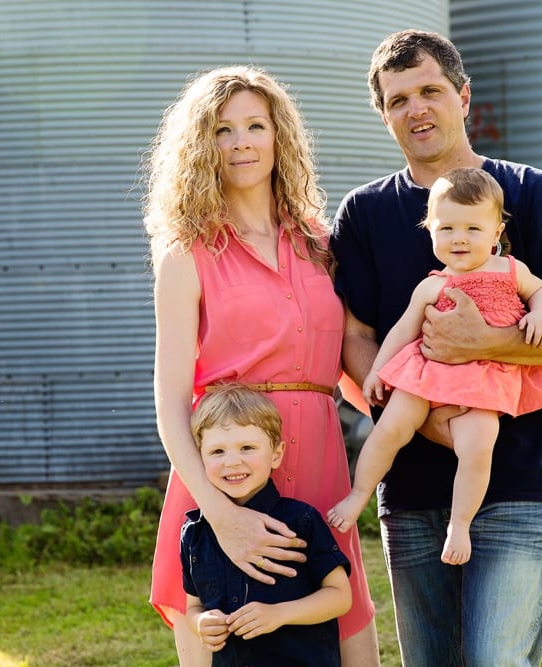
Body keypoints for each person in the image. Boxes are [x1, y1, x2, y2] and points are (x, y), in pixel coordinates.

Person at [330, 30, 542, 666]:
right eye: (398, 99)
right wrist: (422, 414)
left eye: (430, 91)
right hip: (408, 489)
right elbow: (356, 337)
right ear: (383, 114)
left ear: (463, 95)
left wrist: (485, 343)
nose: (417, 109)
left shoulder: (532, 193)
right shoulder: (364, 213)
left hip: (516, 479)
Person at [143, 65, 379, 666]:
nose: (241, 142)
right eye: (223, 130)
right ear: (203, 146)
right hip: (225, 471)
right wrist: (219, 514)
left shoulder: (320, 242)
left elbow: (351, 362)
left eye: (255, 125)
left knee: (350, 648)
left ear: (280, 137)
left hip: (319, 459)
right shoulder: (186, 252)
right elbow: (172, 400)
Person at [327, 167, 542, 566]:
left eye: (473, 228)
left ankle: (459, 524)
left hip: (483, 381)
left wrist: (541, 314)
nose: (459, 238)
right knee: (389, 429)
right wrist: (377, 373)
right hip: (427, 375)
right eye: (447, 228)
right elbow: (402, 332)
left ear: (496, 233)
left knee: (477, 448)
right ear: (430, 229)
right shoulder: (432, 284)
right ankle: (357, 495)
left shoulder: (510, 270)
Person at [182, 383, 353, 666]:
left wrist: (279, 614)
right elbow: (193, 607)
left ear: (276, 454)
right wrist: (200, 623)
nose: (232, 462)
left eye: (247, 448)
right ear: (199, 458)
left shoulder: (301, 521)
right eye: (217, 452)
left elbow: (339, 597)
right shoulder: (195, 533)